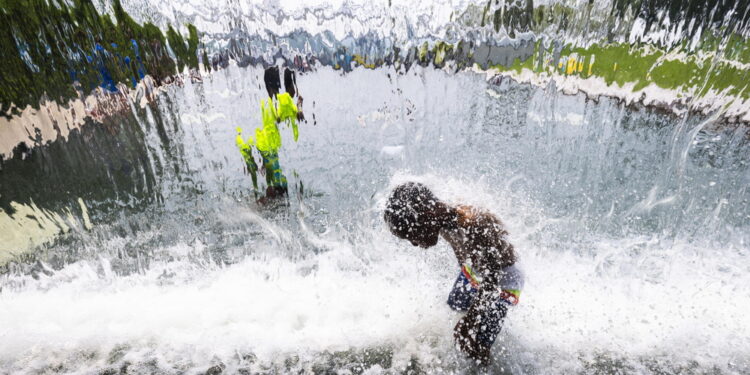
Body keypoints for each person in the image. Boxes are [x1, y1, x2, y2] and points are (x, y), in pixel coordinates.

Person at [383, 182, 523, 365]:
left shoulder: (474, 223)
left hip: (503, 282)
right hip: (474, 271)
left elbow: (493, 279)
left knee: (477, 345)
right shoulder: (441, 215)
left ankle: (482, 364)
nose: (414, 243)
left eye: (412, 235)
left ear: (426, 215)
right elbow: (464, 253)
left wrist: (471, 319)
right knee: (455, 311)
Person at [235, 65, 304, 201]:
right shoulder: (280, 100)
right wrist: (300, 105)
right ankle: (272, 203)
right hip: (268, 149)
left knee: (265, 180)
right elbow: (295, 115)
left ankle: (263, 201)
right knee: (278, 183)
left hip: (251, 146)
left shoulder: (261, 102)